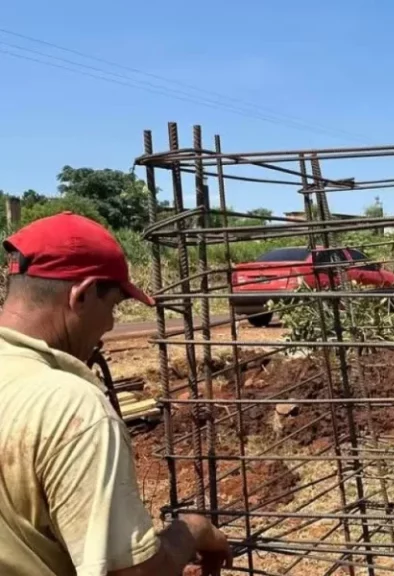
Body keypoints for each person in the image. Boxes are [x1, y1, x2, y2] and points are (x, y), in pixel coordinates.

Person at [0, 212, 232, 575]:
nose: (109, 325)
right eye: (112, 307)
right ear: (82, 294)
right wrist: (192, 531)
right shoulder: (71, 408)